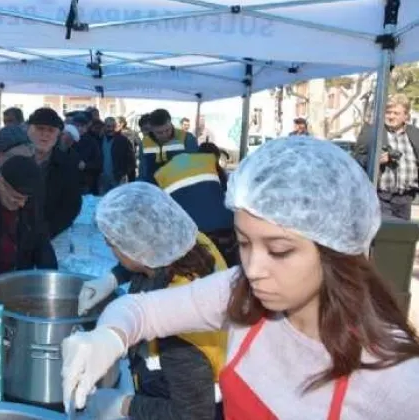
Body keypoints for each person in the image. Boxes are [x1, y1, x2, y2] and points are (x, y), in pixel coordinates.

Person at [63, 137, 419, 419]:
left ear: (335, 251)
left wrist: (123, 406)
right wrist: (109, 336)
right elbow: (141, 311)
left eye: (279, 250)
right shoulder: (240, 292)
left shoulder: (394, 378)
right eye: (244, 244)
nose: (253, 268)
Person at [75, 182, 227, 420]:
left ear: (137, 250)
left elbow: (193, 415)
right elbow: (151, 248)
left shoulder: (178, 329)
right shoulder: (193, 242)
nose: (109, 247)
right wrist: (113, 278)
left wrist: (124, 405)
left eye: (113, 244)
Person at [354, 94, 419, 220]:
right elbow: (356, 160)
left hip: (405, 198)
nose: (391, 116)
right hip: (381, 197)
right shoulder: (371, 132)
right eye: (388, 112)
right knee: (384, 235)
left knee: (401, 237)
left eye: (396, 113)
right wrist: (374, 160)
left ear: (406, 116)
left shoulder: (415, 134)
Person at [28, 108, 82, 238]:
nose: (45, 134)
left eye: (51, 130)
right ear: (29, 130)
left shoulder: (67, 164)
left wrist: (49, 231)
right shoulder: (16, 159)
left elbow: (72, 205)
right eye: (40, 128)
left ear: (58, 135)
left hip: (49, 235)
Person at [139, 109, 199, 183]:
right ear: (152, 129)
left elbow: (195, 168)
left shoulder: (186, 138)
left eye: (167, 130)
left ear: (171, 123)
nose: (165, 135)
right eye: (159, 132)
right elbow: (143, 171)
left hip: (179, 188)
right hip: (155, 189)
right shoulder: (145, 143)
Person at [98, 117, 136, 194]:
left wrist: (125, 174)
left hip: (118, 178)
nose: (111, 129)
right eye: (108, 126)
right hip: (102, 179)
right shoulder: (99, 139)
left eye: (113, 126)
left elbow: (131, 160)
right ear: (104, 127)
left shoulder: (123, 140)